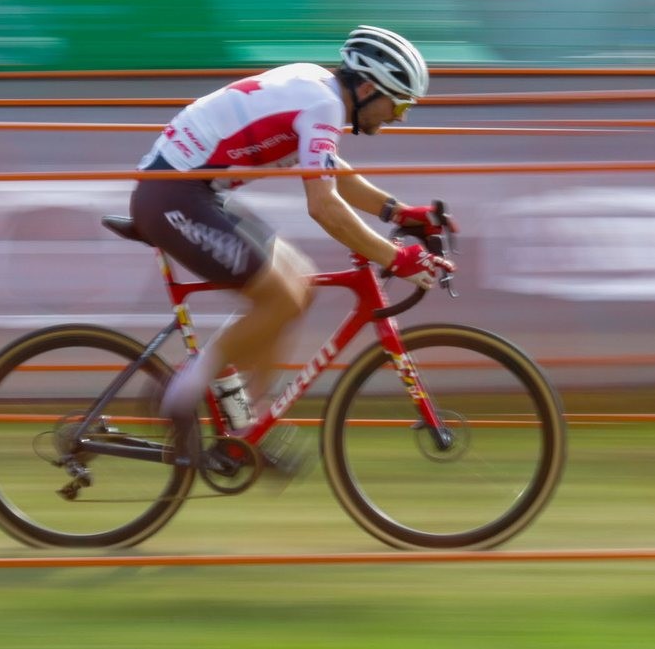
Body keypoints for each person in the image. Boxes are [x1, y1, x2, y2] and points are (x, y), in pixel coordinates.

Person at [127, 25, 455, 469]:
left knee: (296, 287)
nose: (399, 117)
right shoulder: (323, 103)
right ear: (367, 87)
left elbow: (331, 171)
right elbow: (324, 207)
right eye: (397, 104)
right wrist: (395, 257)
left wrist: (398, 213)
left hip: (190, 193)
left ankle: (246, 428)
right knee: (279, 296)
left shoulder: (318, 89)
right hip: (173, 198)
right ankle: (179, 395)